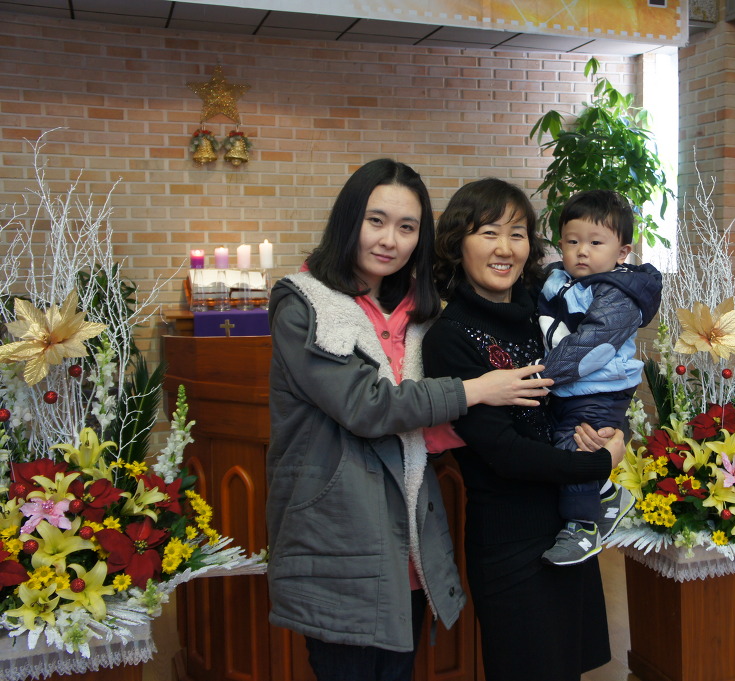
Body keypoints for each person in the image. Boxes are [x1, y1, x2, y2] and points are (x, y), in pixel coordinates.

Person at [265, 159, 552, 681]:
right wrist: (475, 389)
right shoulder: (305, 304)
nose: (389, 240)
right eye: (375, 221)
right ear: (348, 220)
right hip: (340, 533)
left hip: (408, 539)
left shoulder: (418, 316)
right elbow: (365, 405)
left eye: (407, 227)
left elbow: (436, 432)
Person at [422, 178, 627, 681]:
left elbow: (600, 379)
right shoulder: (449, 338)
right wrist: (597, 464)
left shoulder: (545, 307)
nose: (505, 248)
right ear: (458, 243)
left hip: (570, 527)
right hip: (511, 539)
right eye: (488, 232)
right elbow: (504, 452)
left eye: (517, 234)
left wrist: (609, 433)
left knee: (568, 669)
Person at [537, 189, 663, 566]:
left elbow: (590, 348)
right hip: (567, 389)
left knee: (578, 448)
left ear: (622, 253)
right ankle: (608, 493)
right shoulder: (560, 280)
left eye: (595, 243)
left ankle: (582, 527)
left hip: (599, 392)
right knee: (560, 442)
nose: (582, 251)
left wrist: (538, 376)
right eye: (572, 241)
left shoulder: (619, 293)